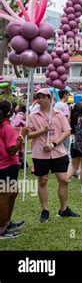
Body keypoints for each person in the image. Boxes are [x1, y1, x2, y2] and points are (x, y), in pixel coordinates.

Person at [27, 88, 79, 222]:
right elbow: (28, 134)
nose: (40, 99)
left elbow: (67, 131)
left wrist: (54, 144)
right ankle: (45, 210)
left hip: (58, 152)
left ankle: (63, 209)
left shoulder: (59, 114)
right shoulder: (32, 116)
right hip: (40, 153)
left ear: (49, 98)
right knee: (42, 180)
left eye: (43, 97)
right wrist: (42, 131)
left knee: (63, 180)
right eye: (38, 97)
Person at [0, 100, 27, 239]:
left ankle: (6, 222)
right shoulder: (7, 128)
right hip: (6, 165)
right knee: (5, 196)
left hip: (6, 165)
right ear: (9, 112)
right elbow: (11, 150)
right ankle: (2, 230)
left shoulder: (5, 126)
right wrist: (22, 137)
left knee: (12, 193)